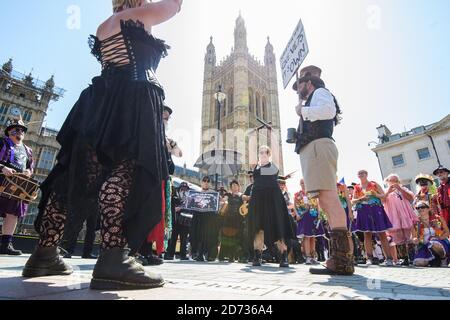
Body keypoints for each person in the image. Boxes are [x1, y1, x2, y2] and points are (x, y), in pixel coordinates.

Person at [22, 0, 184, 291]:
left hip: (97, 102)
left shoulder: (104, 25)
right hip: (132, 101)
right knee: (125, 170)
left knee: (73, 177)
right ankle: (114, 257)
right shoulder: (138, 16)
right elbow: (174, 6)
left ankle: (44, 253)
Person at [292, 65, 353, 275]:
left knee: (329, 199)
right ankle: (339, 258)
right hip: (313, 149)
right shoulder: (311, 97)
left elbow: (328, 111)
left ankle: (342, 260)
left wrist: (303, 111)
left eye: (299, 84)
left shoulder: (320, 92)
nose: (297, 89)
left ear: (308, 83)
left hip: (319, 147)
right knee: (325, 202)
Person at [141, 104, 180, 265]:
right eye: (165, 114)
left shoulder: (166, 137)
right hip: (150, 176)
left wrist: (171, 146)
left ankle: (148, 251)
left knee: (156, 215)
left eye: (168, 116)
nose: (167, 117)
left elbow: (179, 153)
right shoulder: (151, 130)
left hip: (163, 178)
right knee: (147, 213)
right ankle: (141, 250)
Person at [247, 145, 295, 268]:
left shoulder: (273, 167)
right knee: (258, 227)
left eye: (265, 152)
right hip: (258, 199)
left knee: (278, 227)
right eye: (261, 152)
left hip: (273, 199)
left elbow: (269, 172)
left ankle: (283, 256)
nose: (263, 154)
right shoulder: (256, 168)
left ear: (269, 154)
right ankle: (257, 256)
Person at [0, 119, 34, 256]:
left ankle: (5, 245)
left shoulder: (28, 150)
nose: (19, 132)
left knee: (13, 214)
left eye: (21, 130)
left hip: (18, 184)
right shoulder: (2, 142)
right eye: (15, 130)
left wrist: (28, 172)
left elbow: (30, 168)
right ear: (9, 131)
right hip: (1, 178)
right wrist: (2, 167)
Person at [352, 170, 394, 266]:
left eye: (363, 173)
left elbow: (384, 195)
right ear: (357, 176)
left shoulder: (374, 184)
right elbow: (353, 201)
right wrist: (361, 199)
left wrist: (375, 194)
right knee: (367, 234)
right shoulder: (357, 187)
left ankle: (389, 258)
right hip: (363, 210)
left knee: (382, 233)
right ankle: (369, 258)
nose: (361, 175)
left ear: (367, 175)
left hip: (376, 209)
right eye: (359, 174)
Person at [383, 174, 418, 265]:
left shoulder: (403, 189)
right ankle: (404, 258)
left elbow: (411, 198)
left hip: (405, 216)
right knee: (397, 238)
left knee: (409, 237)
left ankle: (413, 257)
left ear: (399, 182)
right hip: (393, 217)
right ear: (387, 182)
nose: (393, 182)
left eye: (395, 180)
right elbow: (381, 201)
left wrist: (400, 189)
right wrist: (388, 192)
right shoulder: (386, 191)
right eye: (391, 181)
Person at [294, 179, 327, 265]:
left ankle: (313, 256)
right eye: (301, 183)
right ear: (300, 184)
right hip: (304, 216)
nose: (303, 184)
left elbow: (317, 203)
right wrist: (298, 214)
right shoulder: (298, 194)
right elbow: (295, 205)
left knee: (313, 236)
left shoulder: (313, 193)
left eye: (304, 182)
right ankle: (307, 257)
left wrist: (320, 214)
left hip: (313, 215)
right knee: (307, 236)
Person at [190, 176, 220, 262]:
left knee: (207, 236)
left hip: (209, 218)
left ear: (210, 183)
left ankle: (205, 253)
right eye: (204, 181)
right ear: (201, 182)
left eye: (208, 181)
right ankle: (198, 253)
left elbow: (216, 206)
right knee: (198, 235)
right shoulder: (196, 193)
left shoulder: (214, 193)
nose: (206, 182)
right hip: (198, 217)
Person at [412, 201, 450, 267]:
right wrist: (415, 240)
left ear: (428, 208)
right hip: (425, 245)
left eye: (422, 207)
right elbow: (414, 237)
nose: (420, 209)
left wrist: (440, 237)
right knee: (419, 263)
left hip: (440, 243)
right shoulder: (416, 222)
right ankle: (433, 260)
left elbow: (447, 232)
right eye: (418, 208)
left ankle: (443, 258)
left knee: (433, 243)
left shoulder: (437, 218)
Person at [218, 180, 245, 262]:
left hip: (237, 220)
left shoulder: (241, 196)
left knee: (234, 238)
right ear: (230, 187)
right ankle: (222, 256)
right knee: (225, 237)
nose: (234, 187)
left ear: (238, 187)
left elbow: (245, 201)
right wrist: (222, 200)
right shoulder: (228, 195)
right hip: (227, 219)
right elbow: (224, 200)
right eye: (232, 186)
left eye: (235, 185)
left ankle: (232, 256)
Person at [165, 182, 191, 260]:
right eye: (182, 188)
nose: (184, 190)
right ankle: (170, 254)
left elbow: (190, 209)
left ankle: (183, 255)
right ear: (179, 188)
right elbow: (172, 207)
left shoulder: (189, 198)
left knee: (184, 239)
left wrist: (181, 207)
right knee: (173, 238)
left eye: (185, 188)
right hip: (175, 221)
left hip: (185, 221)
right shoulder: (174, 196)